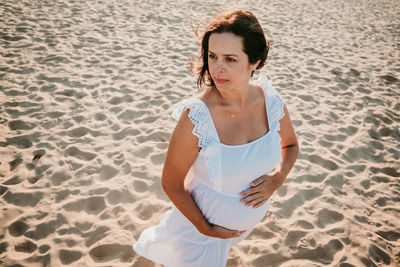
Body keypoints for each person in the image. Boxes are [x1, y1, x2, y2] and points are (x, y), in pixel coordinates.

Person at [134, 9, 299, 267]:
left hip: (234, 234)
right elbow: (171, 182)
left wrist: (277, 179)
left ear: (254, 62)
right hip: (196, 237)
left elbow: (290, 145)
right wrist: (205, 228)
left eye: (230, 59)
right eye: (212, 56)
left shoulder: (271, 102)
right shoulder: (196, 117)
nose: (217, 68)